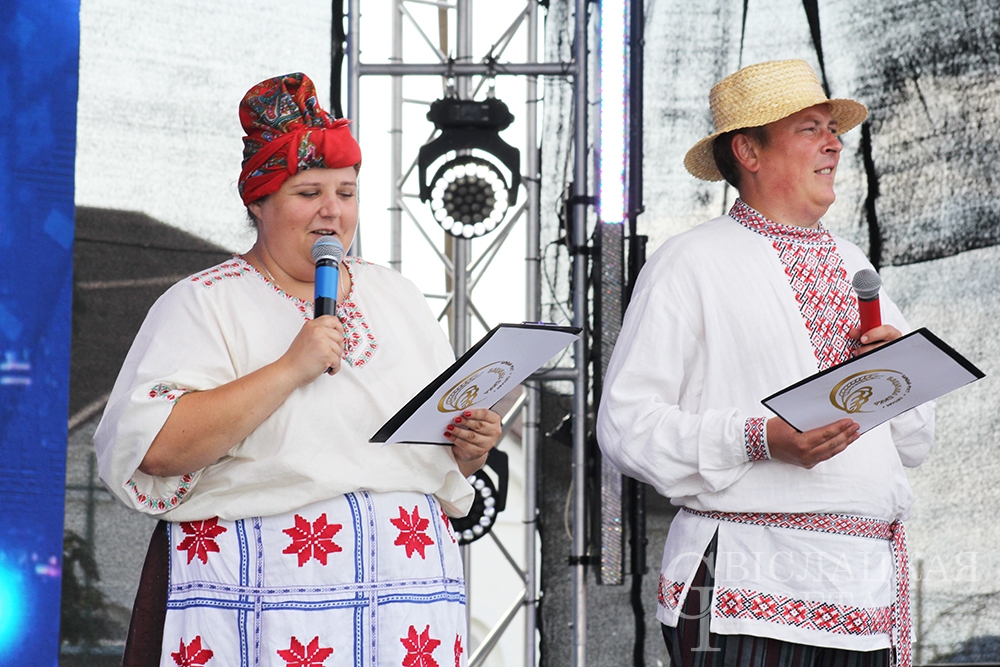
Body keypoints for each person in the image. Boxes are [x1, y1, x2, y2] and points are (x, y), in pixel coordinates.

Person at [94, 72, 501, 667]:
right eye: (309, 192)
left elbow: (430, 453)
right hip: (263, 589)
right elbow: (152, 450)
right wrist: (289, 368)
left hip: (406, 594)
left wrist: (468, 446)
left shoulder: (398, 296)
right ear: (257, 203)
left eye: (347, 192)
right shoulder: (204, 302)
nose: (332, 211)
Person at [596, 59, 934, 667]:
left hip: (865, 599)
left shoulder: (854, 262)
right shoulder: (690, 261)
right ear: (748, 152)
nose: (834, 144)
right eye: (810, 129)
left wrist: (896, 375)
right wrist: (759, 438)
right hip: (743, 586)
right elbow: (626, 426)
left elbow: (914, 441)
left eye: (833, 129)